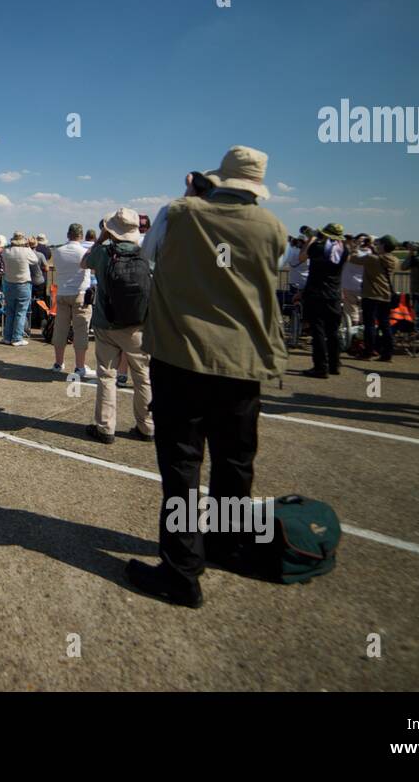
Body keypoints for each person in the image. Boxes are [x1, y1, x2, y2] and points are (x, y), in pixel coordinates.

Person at [131, 146, 287, 608]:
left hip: (182, 356)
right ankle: (228, 544)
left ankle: (181, 570)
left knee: (182, 466)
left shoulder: (178, 212)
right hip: (243, 361)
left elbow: (147, 254)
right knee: (235, 461)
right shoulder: (274, 227)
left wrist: (187, 197)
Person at [81, 210, 151, 443]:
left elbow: (84, 262)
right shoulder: (146, 253)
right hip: (138, 324)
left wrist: (101, 239)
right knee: (143, 376)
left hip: (106, 322)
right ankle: (147, 426)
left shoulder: (102, 253)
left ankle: (105, 427)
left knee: (106, 375)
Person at [299, 223, 349, 378]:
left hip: (316, 294)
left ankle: (320, 367)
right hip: (333, 295)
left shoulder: (318, 248)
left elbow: (302, 257)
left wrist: (311, 239)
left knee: (318, 331)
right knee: (333, 332)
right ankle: (335, 364)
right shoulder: (343, 250)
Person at [51, 223, 94, 377]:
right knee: (81, 331)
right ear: (81, 236)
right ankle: (80, 366)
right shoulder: (84, 252)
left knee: (60, 329)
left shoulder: (57, 251)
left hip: (62, 293)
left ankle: (58, 363)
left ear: (68, 234)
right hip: (80, 294)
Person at [357, 235, 398, 362]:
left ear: (384, 246)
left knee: (369, 324)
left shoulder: (371, 259)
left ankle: (368, 351)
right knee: (385, 324)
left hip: (371, 295)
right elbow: (380, 258)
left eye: (378, 244)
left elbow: (353, 259)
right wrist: (374, 248)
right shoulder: (394, 260)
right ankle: (387, 353)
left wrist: (356, 246)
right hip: (386, 296)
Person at [0, 232, 43, 345]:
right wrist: (28, 247)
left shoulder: (6, 251)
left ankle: (7, 337)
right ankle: (17, 338)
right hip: (23, 284)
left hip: (9, 284)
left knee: (10, 311)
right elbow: (35, 260)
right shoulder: (26, 251)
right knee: (21, 312)